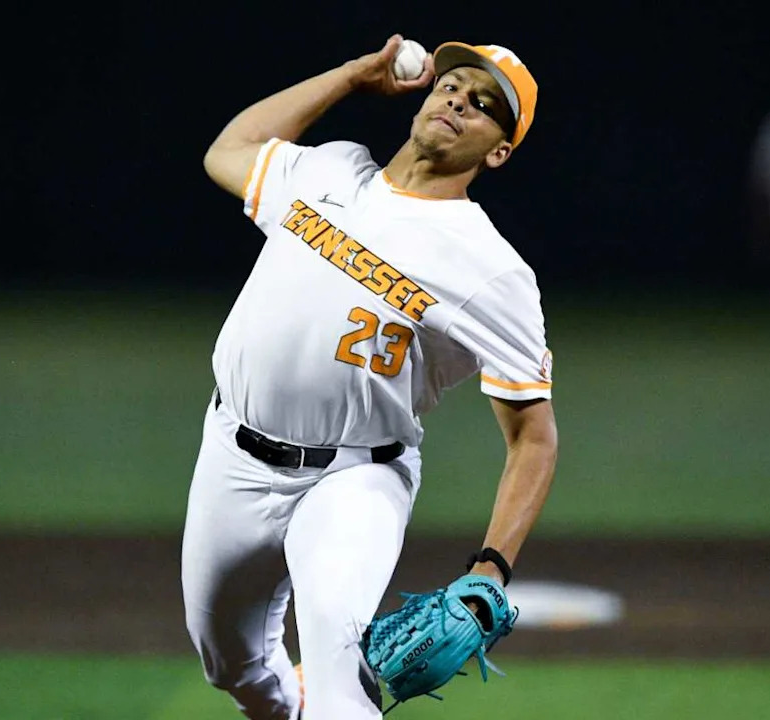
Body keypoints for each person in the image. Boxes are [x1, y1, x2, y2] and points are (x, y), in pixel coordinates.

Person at [181, 34, 559, 720]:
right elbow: (227, 151)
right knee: (229, 664)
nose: (457, 101)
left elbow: (533, 438)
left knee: (338, 677)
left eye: (483, 106)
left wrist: (489, 569)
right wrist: (353, 76)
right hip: (232, 454)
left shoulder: (492, 270)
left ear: (498, 151)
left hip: (354, 477)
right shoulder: (329, 170)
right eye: (453, 85)